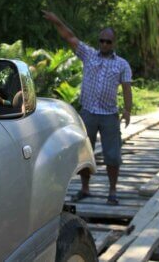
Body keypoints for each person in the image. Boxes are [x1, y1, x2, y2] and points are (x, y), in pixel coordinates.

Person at [43, 11, 132, 205]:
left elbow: (126, 88)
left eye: (108, 42)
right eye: (102, 41)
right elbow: (69, 37)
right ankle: (85, 188)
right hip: (88, 113)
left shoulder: (122, 64)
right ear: (98, 41)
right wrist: (57, 20)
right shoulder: (89, 55)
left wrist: (127, 110)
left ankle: (113, 191)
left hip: (109, 115)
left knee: (112, 155)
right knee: (85, 152)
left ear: (114, 43)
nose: (104, 44)